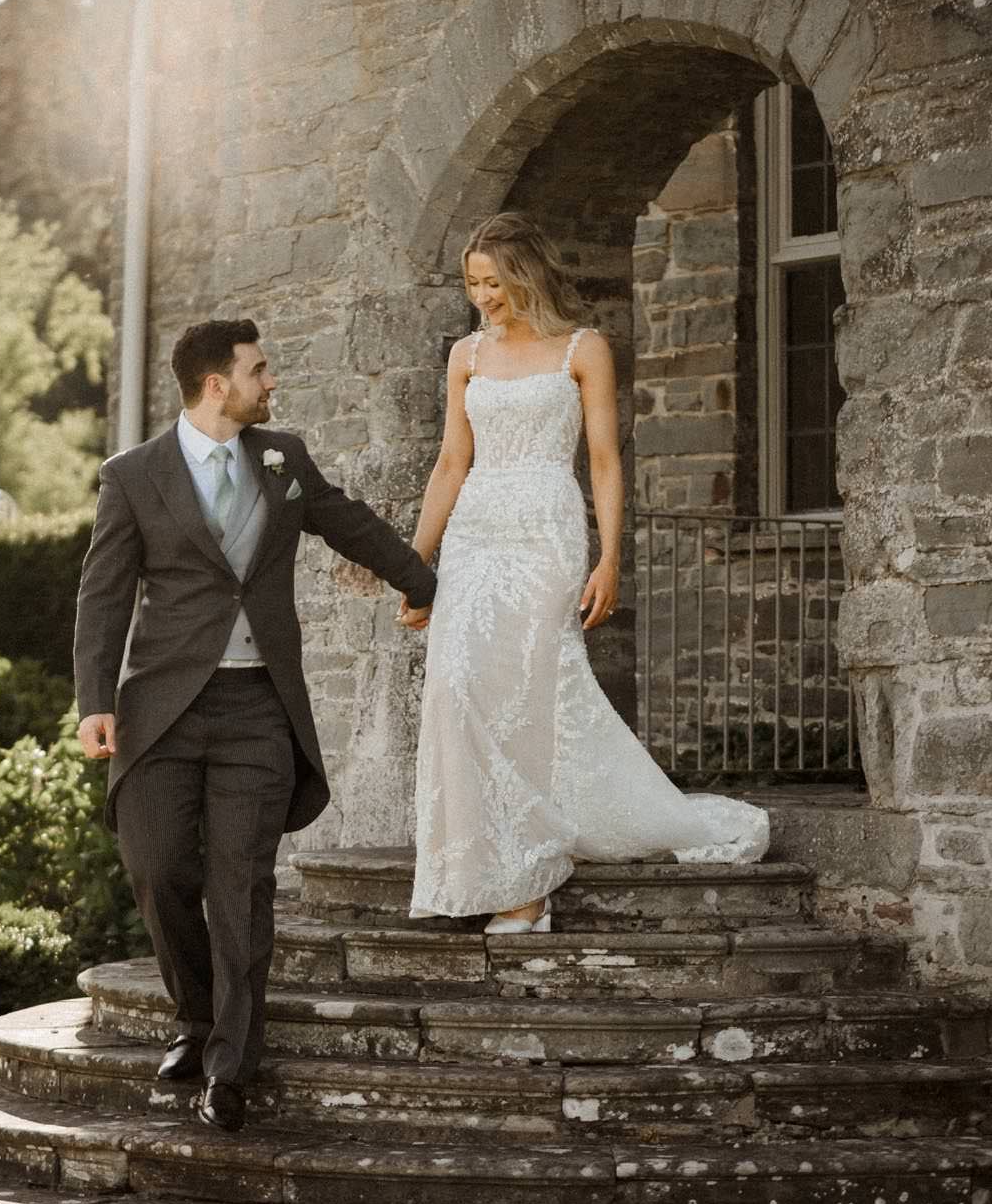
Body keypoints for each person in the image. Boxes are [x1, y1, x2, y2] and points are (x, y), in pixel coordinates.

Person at [74, 319, 437, 1131]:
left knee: (241, 886)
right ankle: (196, 1019)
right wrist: (94, 700)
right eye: (258, 370)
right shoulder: (133, 476)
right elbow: (102, 595)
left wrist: (425, 583)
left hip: (258, 710)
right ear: (216, 385)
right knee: (159, 868)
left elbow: (351, 523)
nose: (270, 383)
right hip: (160, 711)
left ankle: (230, 1066)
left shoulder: (285, 458)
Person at [400, 213, 769, 931]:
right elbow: (451, 462)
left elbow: (603, 460)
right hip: (477, 529)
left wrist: (609, 556)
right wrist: (414, 563)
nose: (483, 298)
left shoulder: (583, 348)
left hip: (545, 527)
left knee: (528, 690)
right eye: (473, 284)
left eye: (494, 283)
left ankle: (527, 881)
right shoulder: (466, 354)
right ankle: (482, 865)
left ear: (526, 275)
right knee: (455, 685)